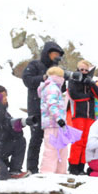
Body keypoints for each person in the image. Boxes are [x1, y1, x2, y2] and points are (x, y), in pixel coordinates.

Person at [22, 42, 64, 174]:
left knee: (50, 142)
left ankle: (50, 168)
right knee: (36, 138)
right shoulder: (34, 65)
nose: (57, 57)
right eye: (55, 54)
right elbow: (27, 80)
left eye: (59, 55)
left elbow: (62, 89)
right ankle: (31, 168)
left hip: (50, 113)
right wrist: (44, 78)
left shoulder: (56, 70)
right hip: (36, 107)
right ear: (48, 53)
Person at [67, 60, 98, 175]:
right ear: (78, 69)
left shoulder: (89, 82)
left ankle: (81, 166)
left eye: (86, 70)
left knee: (86, 142)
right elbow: (74, 96)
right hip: (78, 114)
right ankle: (73, 166)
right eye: (81, 69)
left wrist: (91, 83)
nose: (83, 72)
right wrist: (88, 97)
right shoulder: (73, 79)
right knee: (77, 141)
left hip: (90, 116)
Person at [38, 67, 69, 174]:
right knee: (52, 150)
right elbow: (52, 105)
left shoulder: (53, 87)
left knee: (60, 150)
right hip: (53, 123)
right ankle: (48, 172)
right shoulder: (52, 88)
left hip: (56, 124)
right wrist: (59, 119)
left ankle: (59, 172)